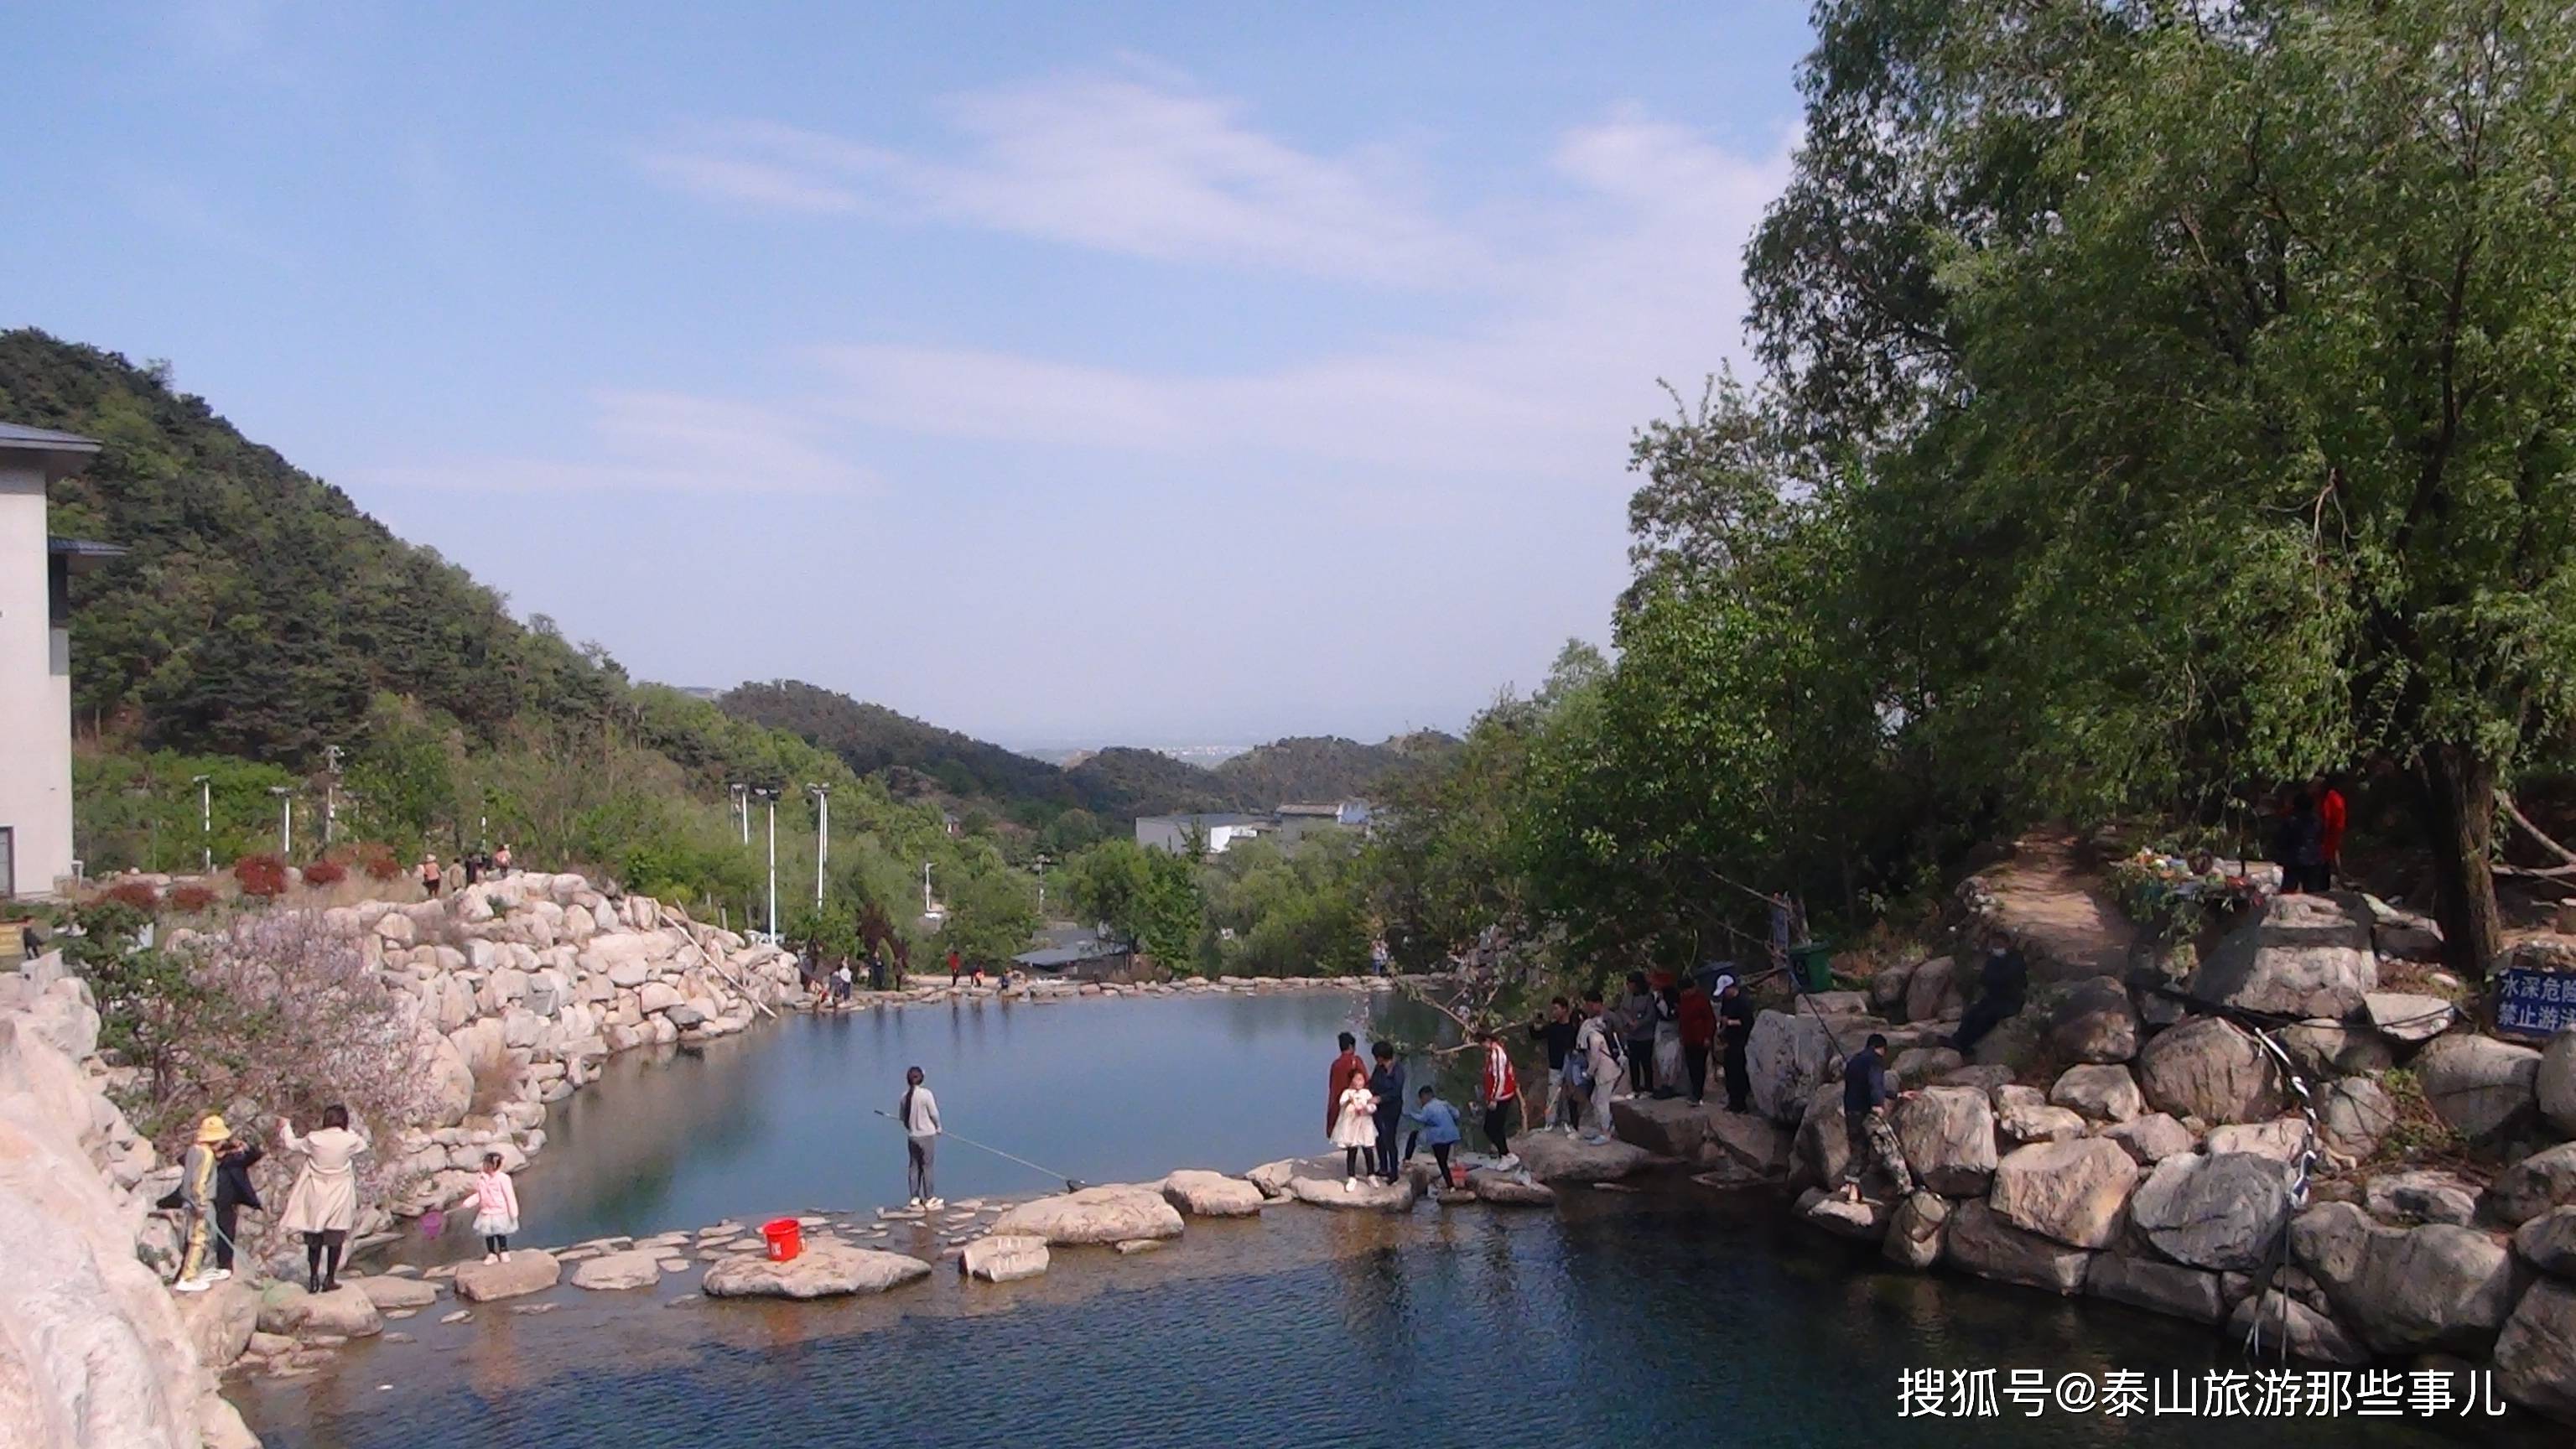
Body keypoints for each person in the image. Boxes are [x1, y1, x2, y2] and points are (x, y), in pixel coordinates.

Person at [278, 1104, 369, 1294]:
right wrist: (348, 1129)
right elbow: (363, 1144)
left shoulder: (314, 1138)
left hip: (315, 1191)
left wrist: (286, 1127)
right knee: (336, 1238)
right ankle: (330, 1279)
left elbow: (292, 1144)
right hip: (340, 1192)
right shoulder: (350, 1140)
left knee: (314, 1237)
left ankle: (313, 1278)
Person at [1836, 1034, 1916, 1201]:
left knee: (1858, 1152)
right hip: (1868, 1113)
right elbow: (1874, 1084)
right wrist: (1878, 1105)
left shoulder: (1854, 1061)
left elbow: (1868, 1087)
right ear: (1882, 1049)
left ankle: (1852, 1192)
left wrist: (1898, 1095)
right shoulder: (1875, 1061)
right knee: (1889, 1146)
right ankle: (1906, 1187)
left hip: (1852, 1112)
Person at [171, 1114, 228, 1291]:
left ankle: (195, 1271)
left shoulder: (193, 1150)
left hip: (188, 1200)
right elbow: (199, 1181)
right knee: (199, 1238)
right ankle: (188, 1277)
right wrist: (201, 1203)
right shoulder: (206, 1154)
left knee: (196, 1237)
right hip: (200, 1202)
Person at [1948, 943, 2029, 1056]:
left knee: (1984, 1017)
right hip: (1994, 997)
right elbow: (1985, 978)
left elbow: (2006, 979)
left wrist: (1994, 979)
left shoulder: (2016, 960)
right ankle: (1957, 1040)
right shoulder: (1994, 960)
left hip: (2010, 1001)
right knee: (1971, 1013)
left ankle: (1965, 1044)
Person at [1574, 992, 1627, 1141]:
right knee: (1595, 1099)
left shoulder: (1595, 1036)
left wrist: (1589, 1073)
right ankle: (1603, 1127)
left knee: (1602, 1102)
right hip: (1602, 1072)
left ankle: (1606, 1133)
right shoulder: (1593, 1034)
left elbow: (1595, 1057)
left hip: (1606, 1072)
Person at [212, 1127, 263, 1280]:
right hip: (207, 1201)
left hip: (227, 1202)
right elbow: (183, 1159)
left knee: (227, 1232)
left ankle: (225, 1266)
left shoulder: (234, 1160)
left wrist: (241, 1147)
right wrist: (211, 1153)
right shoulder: (202, 1156)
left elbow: (255, 1155)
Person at [456, 1151, 521, 1263]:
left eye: (489, 1165)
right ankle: (491, 1253)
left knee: (500, 1233)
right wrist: (468, 1203)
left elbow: (509, 1196)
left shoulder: (503, 1178)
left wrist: (513, 1212)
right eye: (485, 1164)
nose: (486, 1167)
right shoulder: (482, 1179)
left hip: (500, 1211)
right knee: (488, 1234)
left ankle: (504, 1251)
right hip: (486, 1211)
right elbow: (480, 1195)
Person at [1528, 998, 1580, 1133]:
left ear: (1564, 1009)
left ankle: (1569, 1122)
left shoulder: (1573, 1028)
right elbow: (1535, 1035)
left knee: (1569, 1096)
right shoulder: (1552, 1027)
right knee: (1552, 1095)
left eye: (1556, 1008)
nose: (1554, 1012)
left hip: (1570, 1067)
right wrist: (1533, 1022)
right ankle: (1550, 1122)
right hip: (1555, 1066)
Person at [1475, 1026, 1522, 1171]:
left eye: (1482, 1043)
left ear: (1487, 1040)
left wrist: (1494, 1098)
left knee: (1492, 1127)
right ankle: (1504, 1154)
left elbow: (1499, 1078)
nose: (1482, 1047)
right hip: (1499, 1096)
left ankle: (1506, 1155)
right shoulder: (1493, 1053)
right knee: (1494, 1127)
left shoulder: (1497, 1054)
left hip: (1502, 1097)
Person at [901, 1066, 943, 1208]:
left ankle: (914, 1197)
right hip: (927, 1136)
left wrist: (911, 1127)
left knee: (914, 1166)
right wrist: (938, 1127)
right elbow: (934, 1114)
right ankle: (930, 1198)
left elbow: (903, 1118)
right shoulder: (926, 1095)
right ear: (922, 1079)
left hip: (912, 1137)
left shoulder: (904, 1096)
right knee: (927, 1167)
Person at [1330, 1072, 1379, 1191]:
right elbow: (1342, 1103)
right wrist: (1350, 1100)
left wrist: (1366, 1107)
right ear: (1352, 1080)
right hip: (1351, 1124)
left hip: (1364, 1124)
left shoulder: (1366, 1093)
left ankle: (1371, 1175)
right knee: (1352, 1150)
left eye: (1361, 1080)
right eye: (1357, 1079)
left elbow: (1373, 1107)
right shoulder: (1347, 1092)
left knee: (1368, 1149)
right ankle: (1351, 1177)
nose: (1359, 1082)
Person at [1405, 1085, 1462, 1186]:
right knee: (1443, 1161)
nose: (1421, 1101)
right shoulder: (1444, 1103)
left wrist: (1409, 1114)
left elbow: (1422, 1119)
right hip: (1451, 1135)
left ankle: (1407, 1160)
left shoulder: (1428, 1107)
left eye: (1421, 1098)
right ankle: (1450, 1185)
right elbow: (1457, 1114)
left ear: (1427, 1096)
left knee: (1414, 1135)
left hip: (1439, 1137)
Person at [1367, 1041, 1407, 1182]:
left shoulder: (1397, 1070)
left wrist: (1381, 1098)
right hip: (1378, 1109)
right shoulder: (1379, 1069)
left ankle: (1394, 1172)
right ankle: (1383, 1167)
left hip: (1391, 1108)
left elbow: (1396, 1091)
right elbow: (1372, 1082)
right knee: (1379, 1137)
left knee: (1389, 1138)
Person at [1718, 976, 1757, 1113]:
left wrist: (1730, 1022)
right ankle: (1733, 1099)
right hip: (1730, 1039)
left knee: (1739, 1072)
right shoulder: (1726, 1001)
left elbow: (1747, 1023)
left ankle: (1741, 1103)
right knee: (1729, 1071)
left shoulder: (1743, 1002)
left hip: (1741, 1040)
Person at [1678, 980, 1717, 1107]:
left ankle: (1698, 1093)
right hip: (1688, 1038)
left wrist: (1708, 1037)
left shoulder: (1701, 1000)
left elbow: (1710, 1020)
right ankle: (1693, 1090)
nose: (1686, 993)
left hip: (1700, 1037)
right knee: (1691, 1066)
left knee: (1699, 1066)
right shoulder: (1683, 1000)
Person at [1620, 973, 1658, 1098]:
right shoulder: (1627, 996)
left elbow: (1650, 1015)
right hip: (1631, 1035)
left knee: (1646, 1062)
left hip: (1645, 1035)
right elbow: (1623, 1010)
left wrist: (1639, 1024)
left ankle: (1648, 1088)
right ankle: (1635, 1088)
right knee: (1633, 1062)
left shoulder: (1648, 997)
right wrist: (1628, 1022)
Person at [1326, 1031, 1368, 1137]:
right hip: (1357, 1105)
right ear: (1351, 1046)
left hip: (1342, 1106)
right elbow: (1367, 1081)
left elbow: (1333, 1090)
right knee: (1364, 1141)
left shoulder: (1336, 1065)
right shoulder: (1356, 1061)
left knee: (1349, 1141)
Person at [1651, 980, 1685, 1099]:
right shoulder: (1658, 1001)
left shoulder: (1675, 1003)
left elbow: (1670, 1015)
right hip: (1662, 1033)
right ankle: (1665, 1085)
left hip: (1673, 1033)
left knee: (1673, 1061)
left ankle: (1671, 1086)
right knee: (1662, 1060)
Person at [2314, 775, 2347, 891]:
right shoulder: (2321, 797)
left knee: (2324, 864)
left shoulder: (2332, 799)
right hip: (2324, 836)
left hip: (2328, 835)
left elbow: (2331, 819)